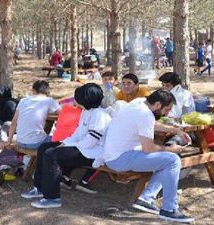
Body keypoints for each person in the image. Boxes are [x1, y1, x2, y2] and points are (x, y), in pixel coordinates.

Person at [99, 90, 194, 223]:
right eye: (166, 110)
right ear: (157, 105)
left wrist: (176, 130)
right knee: (172, 160)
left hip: (117, 154)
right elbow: (148, 148)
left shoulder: (140, 102)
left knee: (166, 161)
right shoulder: (145, 114)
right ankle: (169, 209)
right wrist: (171, 149)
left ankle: (146, 198)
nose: (167, 113)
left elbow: (151, 124)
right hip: (119, 159)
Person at [21, 83, 111, 208]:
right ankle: (39, 187)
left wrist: (67, 146)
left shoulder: (100, 115)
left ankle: (52, 198)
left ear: (87, 99)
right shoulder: (86, 111)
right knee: (44, 148)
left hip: (92, 152)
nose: (76, 100)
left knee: (52, 155)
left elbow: (90, 142)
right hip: (81, 147)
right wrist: (65, 143)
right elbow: (78, 133)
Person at [6, 80, 61, 150]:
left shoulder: (23, 101)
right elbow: (63, 113)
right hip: (36, 142)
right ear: (47, 92)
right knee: (61, 141)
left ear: (33, 90)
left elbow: (13, 123)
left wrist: (9, 142)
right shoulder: (48, 100)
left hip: (20, 141)